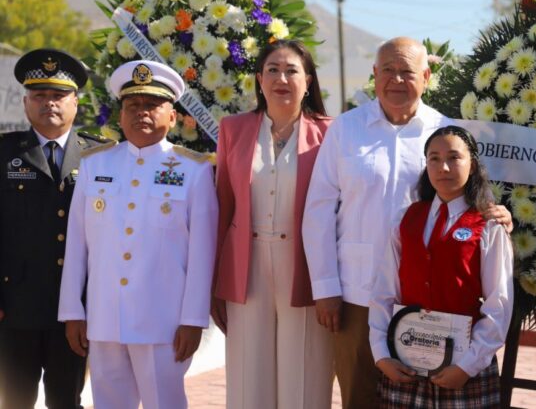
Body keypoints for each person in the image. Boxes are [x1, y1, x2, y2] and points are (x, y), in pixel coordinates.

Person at [303, 37, 513, 409]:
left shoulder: (444, 131)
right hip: (357, 294)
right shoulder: (346, 129)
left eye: (407, 71)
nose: (396, 80)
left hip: (430, 306)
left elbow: (468, 196)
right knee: (359, 398)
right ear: (374, 74)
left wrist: (497, 213)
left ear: (426, 77)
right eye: (388, 70)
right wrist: (325, 287)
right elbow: (318, 210)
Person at [57, 60, 217, 409]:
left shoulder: (194, 169)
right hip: (105, 317)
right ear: (120, 115)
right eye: (132, 105)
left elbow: (202, 254)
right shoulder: (95, 164)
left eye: (152, 104)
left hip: (163, 321)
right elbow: (78, 244)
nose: (141, 112)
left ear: (172, 116)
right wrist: (72, 310)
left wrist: (193, 320)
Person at [211, 39, 334, 409]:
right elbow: (223, 206)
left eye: (292, 70)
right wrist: (214, 281)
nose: (282, 78)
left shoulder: (330, 133)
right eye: (273, 70)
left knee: (305, 375)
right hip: (246, 265)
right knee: (248, 378)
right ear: (259, 79)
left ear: (308, 81)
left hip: (305, 266)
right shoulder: (233, 129)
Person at [369, 125, 513, 408]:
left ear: (472, 165)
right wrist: (381, 353)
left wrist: (467, 366)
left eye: (454, 157)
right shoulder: (405, 218)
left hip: (463, 367)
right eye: (434, 158)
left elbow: (499, 303)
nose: (443, 167)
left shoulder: (488, 225)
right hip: (406, 362)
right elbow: (384, 292)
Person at [0, 48, 108, 408]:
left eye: (59, 95)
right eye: (39, 95)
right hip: (16, 307)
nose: (49, 103)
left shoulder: (100, 157)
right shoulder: (5, 154)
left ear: (76, 102)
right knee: (15, 401)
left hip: (75, 309)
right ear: (25, 103)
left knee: (66, 401)